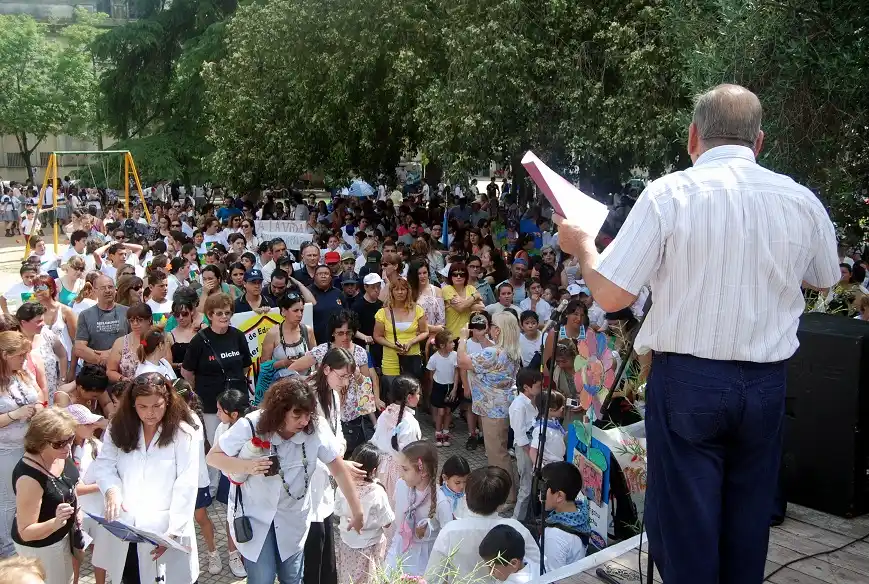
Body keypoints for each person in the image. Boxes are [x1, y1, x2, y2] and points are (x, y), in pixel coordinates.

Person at [554, 84, 841, 584]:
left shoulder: (668, 195)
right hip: (767, 383)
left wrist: (581, 246)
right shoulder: (800, 199)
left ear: (693, 137)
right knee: (749, 517)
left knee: (686, 523)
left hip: (690, 381)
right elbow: (825, 276)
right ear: (759, 142)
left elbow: (611, 297)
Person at [206, 377, 364, 584]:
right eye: (297, 415)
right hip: (255, 516)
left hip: (293, 518)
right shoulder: (251, 424)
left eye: (308, 414)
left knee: (292, 577)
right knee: (263, 578)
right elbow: (213, 457)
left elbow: (338, 468)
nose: (304, 421)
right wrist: (247, 467)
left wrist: (357, 510)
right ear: (279, 410)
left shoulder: (315, 428)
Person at [86, 372, 201, 584]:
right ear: (132, 405)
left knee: (169, 577)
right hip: (127, 526)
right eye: (143, 407)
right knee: (130, 576)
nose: (150, 414)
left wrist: (173, 533)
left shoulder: (183, 434)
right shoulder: (117, 428)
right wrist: (111, 490)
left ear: (167, 402)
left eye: (157, 406)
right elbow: (105, 464)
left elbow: (186, 483)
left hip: (165, 527)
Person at [289, 311, 381, 455]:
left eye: (348, 333)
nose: (345, 337)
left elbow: (366, 382)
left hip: (352, 414)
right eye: (340, 333)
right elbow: (292, 370)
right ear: (333, 333)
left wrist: (356, 375)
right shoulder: (323, 350)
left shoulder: (360, 352)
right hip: (326, 411)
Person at [426, 467, 540, 583]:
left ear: (466, 497)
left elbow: (432, 576)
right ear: (502, 503)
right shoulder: (515, 528)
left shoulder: (450, 531)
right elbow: (538, 568)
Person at [457, 312, 522, 508]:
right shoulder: (508, 351)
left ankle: (507, 496)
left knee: (497, 454)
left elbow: (462, 361)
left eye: (492, 325)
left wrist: (462, 339)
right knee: (500, 451)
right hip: (501, 406)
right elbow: (489, 355)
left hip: (493, 409)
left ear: (498, 329)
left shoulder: (494, 353)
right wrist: (483, 337)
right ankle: (509, 491)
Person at [11, 408, 78, 584]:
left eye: (70, 439)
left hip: (61, 537)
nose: (67, 447)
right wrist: (56, 522)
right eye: (59, 443)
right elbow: (25, 532)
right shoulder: (29, 478)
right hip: (41, 548)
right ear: (40, 442)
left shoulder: (59, 454)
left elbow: (70, 485)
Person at [181, 293, 252, 451]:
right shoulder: (199, 340)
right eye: (219, 313)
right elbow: (187, 372)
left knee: (243, 445)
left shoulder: (238, 336)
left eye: (227, 313)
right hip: (211, 405)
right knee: (217, 446)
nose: (224, 316)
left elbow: (246, 366)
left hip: (238, 402)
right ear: (210, 315)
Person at [0, 331, 45, 558]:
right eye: (19, 355)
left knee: (30, 494)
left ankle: (27, 538)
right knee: (8, 499)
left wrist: (37, 407)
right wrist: (14, 415)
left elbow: (37, 394)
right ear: (5, 355)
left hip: (30, 446)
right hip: (5, 451)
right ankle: (9, 552)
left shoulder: (22, 373)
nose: (24, 359)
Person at [334, 443, 395, 584]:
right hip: (370, 546)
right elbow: (387, 522)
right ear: (374, 470)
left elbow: (337, 512)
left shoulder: (342, 486)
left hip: (347, 543)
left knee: (347, 576)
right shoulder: (377, 492)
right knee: (369, 578)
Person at [385, 440, 440, 576]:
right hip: (399, 549)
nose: (401, 474)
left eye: (405, 469)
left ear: (423, 472)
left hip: (424, 558)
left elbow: (446, 535)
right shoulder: (401, 485)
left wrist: (430, 526)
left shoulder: (441, 500)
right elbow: (397, 517)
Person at [370, 375, 422, 513]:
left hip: (380, 468)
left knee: (385, 508)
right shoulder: (410, 422)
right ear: (410, 397)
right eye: (418, 393)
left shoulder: (385, 413)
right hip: (401, 472)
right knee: (400, 509)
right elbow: (411, 454)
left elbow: (376, 440)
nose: (420, 396)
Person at [212, 389, 248, 578]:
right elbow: (217, 456)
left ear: (234, 414)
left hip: (251, 482)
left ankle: (248, 552)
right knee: (231, 516)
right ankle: (233, 553)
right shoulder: (221, 428)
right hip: (230, 479)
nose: (217, 414)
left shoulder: (251, 427)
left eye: (220, 410)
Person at [373, 277, 428, 385]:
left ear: (408, 291)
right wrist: (392, 345)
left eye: (403, 289)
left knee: (411, 394)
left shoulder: (418, 309)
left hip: (412, 358)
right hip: (391, 359)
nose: (400, 292)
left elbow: (425, 331)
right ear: (391, 292)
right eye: (396, 289)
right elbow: (377, 336)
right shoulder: (382, 312)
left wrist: (411, 342)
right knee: (392, 393)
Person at [541, 461, 590, 571]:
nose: (540, 495)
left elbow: (552, 578)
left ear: (559, 496)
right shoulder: (580, 512)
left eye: (543, 490)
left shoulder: (554, 536)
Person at [509, 369, 543, 522]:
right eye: (537, 386)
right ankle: (517, 520)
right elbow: (520, 434)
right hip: (526, 449)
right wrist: (530, 452)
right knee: (526, 486)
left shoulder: (531, 401)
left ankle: (528, 516)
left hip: (532, 446)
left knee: (532, 484)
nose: (540, 388)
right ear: (526, 387)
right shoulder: (518, 406)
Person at [74, 275, 129, 368]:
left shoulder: (128, 312)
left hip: (122, 369)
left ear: (115, 289)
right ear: (94, 291)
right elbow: (79, 348)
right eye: (103, 288)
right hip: (95, 373)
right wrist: (100, 359)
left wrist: (113, 355)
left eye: (110, 287)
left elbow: (139, 340)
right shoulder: (85, 315)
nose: (108, 290)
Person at [16, 303, 66, 403]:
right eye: (38, 321)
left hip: (51, 395)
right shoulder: (15, 342)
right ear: (23, 322)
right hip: (28, 400)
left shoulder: (47, 334)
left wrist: (62, 380)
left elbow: (63, 355)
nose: (43, 324)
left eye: (42, 320)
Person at [33, 277, 76, 381]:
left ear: (51, 289)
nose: (38, 290)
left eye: (42, 287)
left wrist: (72, 370)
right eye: (35, 288)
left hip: (67, 361)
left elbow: (76, 342)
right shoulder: (33, 313)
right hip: (45, 363)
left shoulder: (66, 311)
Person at [105, 302, 151, 383]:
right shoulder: (121, 342)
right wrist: (122, 378)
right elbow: (110, 371)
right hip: (127, 389)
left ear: (149, 320)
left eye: (140, 320)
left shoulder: (159, 340)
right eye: (132, 321)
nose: (135, 324)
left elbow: (167, 367)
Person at [427, 330, 458, 447]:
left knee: (448, 411)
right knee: (440, 412)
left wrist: (455, 388)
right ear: (442, 345)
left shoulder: (454, 355)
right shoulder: (434, 358)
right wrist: (433, 388)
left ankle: (446, 432)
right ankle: (438, 433)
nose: (454, 344)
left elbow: (456, 373)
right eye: (451, 342)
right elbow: (431, 374)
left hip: (450, 386)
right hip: (439, 386)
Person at [437, 454, 471, 524]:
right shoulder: (441, 498)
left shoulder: (467, 493)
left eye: (465, 481)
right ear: (445, 478)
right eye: (457, 482)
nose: (462, 486)